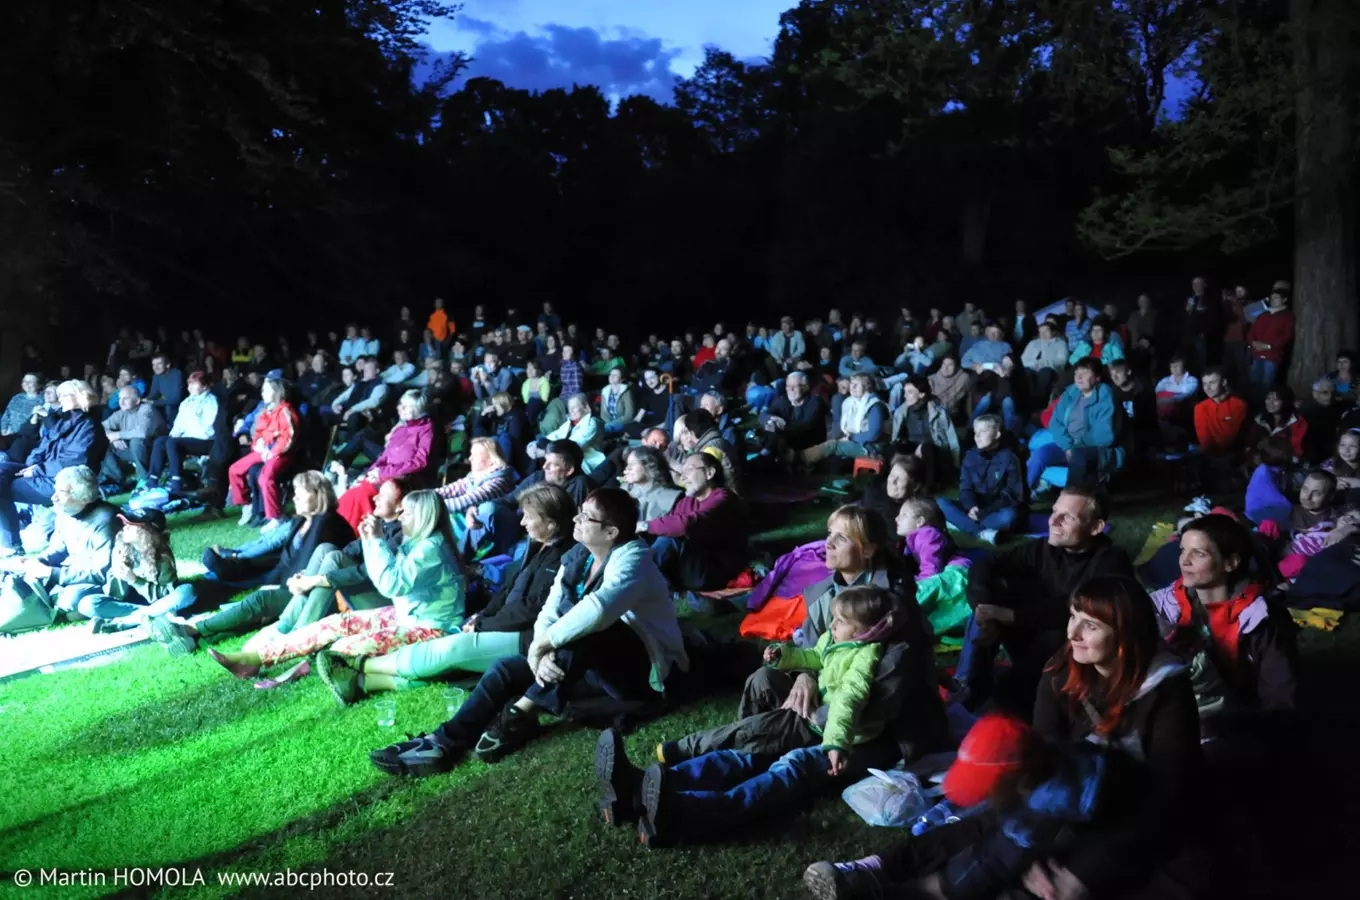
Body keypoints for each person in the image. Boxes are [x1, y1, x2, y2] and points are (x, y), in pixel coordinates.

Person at [369, 488, 687, 773]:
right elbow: (552, 607)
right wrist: (539, 650)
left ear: (611, 532)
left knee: (589, 628)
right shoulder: (578, 555)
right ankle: (444, 740)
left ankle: (519, 714)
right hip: (588, 668)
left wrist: (541, 646)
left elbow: (597, 611)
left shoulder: (634, 557)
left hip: (645, 673)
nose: (576, 518)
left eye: (586, 516)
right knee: (505, 668)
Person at [622, 585, 917, 847]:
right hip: (814, 724)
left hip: (843, 738)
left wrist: (835, 745)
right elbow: (814, 656)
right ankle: (644, 787)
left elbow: (847, 702)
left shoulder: (869, 657)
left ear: (864, 632)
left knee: (791, 765)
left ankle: (687, 813)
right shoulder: (837, 639)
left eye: (840, 621)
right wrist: (786, 657)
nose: (832, 624)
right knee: (751, 753)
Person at [317, 483, 577, 702]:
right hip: (499, 625)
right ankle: (362, 683)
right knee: (445, 659)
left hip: (524, 637)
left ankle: (360, 668)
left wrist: (484, 624)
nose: (522, 522)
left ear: (552, 524)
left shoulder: (562, 558)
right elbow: (508, 591)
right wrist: (480, 617)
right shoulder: (538, 547)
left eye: (529, 517)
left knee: (444, 652)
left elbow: (530, 610)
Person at [205, 489, 465, 684]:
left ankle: (307, 668)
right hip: (406, 618)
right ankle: (254, 659)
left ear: (423, 516)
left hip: (431, 629)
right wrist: (371, 541)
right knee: (334, 624)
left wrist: (375, 541)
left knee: (343, 647)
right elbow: (382, 576)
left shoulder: (432, 548)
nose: (400, 515)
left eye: (406, 511)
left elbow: (390, 584)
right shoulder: (417, 543)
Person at [955, 485, 1135, 711]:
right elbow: (985, 564)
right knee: (988, 604)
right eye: (1053, 511)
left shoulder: (1111, 561)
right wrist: (984, 610)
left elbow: (1075, 608)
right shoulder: (1043, 549)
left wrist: (1011, 615)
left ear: (1095, 527)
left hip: (1072, 650)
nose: (1053, 521)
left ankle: (1010, 698)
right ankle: (970, 686)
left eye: (1067, 517)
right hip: (1031, 633)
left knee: (1058, 634)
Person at [1149, 514, 1297, 733]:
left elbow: (1281, 705)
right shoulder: (1168, 605)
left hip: (1242, 721)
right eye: (1183, 550)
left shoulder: (1262, 619)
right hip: (1181, 710)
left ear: (1230, 563)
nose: (1184, 561)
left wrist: (1219, 725)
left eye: (1198, 553)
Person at [0, 380, 107, 555]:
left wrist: (36, 470)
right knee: (2, 468)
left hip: (63, 481)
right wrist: (32, 465)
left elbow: (74, 461)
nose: (61, 399)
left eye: (66, 395)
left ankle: (11, 545)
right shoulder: (62, 421)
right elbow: (41, 448)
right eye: (60, 395)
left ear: (82, 397)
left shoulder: (90, 426)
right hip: (43, 471)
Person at [0, 466, 119, 619]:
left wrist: (50, 573)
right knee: (8, 569)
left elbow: (101, 573)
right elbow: (58, 549)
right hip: (69, 574)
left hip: (95, 582)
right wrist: (37, 561)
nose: (53, 498)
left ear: (84, 498)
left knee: (72, 598)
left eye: (61, 493)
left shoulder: (106, 521)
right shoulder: (66, 513)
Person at [642, 450, 748, 592]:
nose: (683, 477)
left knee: (670, 540)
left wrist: (644, 525)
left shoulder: (724, 499)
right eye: (683, 472)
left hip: (717, 570)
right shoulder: (687, 502)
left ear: (709, 473)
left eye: (689, 470)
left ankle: (638, 583)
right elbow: (670, 523)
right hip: (691, 566)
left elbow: (686, 524)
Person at [333, 390, 434, 530]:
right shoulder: (401, 429)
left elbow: (420, 462)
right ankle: (340, 528)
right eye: (401, 405)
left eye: (406, 406)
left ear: (418, 409)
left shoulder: (427, 430)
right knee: (355, 488)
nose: (401, 409)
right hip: (385, 474)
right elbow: (384, 456)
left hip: (405, 478)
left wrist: (384, 472)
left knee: (362, 493)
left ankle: (352, 530)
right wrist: (371, 472)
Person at [1026, 358, 1121, 491]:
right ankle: (1019, 498)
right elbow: (1055, 423)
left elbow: (1103, 435)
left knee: (1078, 460)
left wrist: (1075, 447)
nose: (1079, 377)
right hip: (1068, 445)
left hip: (1093, 449)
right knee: (1040, 455)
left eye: (1085, 373)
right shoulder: (1070, 393)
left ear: (1098, 377)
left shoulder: (1105, 397)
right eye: (1076, 373)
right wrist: (1067, 446)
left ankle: (1078, 497)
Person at [938, 414, 1026, 544]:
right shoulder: (970, 456)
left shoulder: (1010, 458)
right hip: (975, 509)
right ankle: (981, 532)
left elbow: (1012, 495)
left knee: (1009, 516)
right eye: (975, 432)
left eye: (983, 431)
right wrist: (970, 506)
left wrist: (984, 512)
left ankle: (962, 523)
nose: (977, 436)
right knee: (941, 503)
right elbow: (965, 487)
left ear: (997, 434)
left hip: (996, 511)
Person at [226, 375, 299, 530]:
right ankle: (247, 504)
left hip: (281, 454)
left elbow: (288, 438)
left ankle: (275, 517)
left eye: (266, 390)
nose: (262, 393)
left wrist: (271, 453)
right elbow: (259, 432)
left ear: (277, 392)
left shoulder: (286, 411)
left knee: (265, 477)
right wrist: (258, 444)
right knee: (234, 470)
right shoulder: (266, 411)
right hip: (265, 451)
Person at [146, 371, 218, 490]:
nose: (190, 387)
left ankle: (176, 481)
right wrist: (173, 435)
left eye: (194, 384)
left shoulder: (211, 401)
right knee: (160, 441)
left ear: (204, 386)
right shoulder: (186, 402)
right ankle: (152, 479)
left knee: (172, 443)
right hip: (186, 439)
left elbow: (209, 428)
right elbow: (178, 424)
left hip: (205, 440)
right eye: (189, 383)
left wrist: (182, 437)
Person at [800, 373, 887, 466]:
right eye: (851, 384)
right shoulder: (851, 402)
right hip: (855, 441)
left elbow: (873, 435)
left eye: (856, 385)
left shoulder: (874, 406)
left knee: (833, 445)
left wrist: (851, 438)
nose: (852, 387)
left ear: (867, 388)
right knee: (831, 444)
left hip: (870, 446)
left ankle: (798, 458)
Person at [889, 376, 960, 478]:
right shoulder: (900, 412)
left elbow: (952, 439)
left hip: (933, 450)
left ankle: (928, 486)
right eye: (904, 392)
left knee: (926, 448)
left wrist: (955, 464)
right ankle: (890, 479)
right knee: (894, 446)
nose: (905, 396)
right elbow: (896, 436)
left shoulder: (939, 413)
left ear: (921, 394)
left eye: (910, 392)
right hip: (911, 446)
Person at [99, 385, 164, 489]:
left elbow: (143, 432)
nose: (121, 402)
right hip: (133, 450)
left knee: (136, 441)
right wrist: (114, 439)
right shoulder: (121, 413)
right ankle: (115, 479)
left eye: (125, 398)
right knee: (102, 442)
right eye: (120, 398)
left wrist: (117, 435)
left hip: (154, 450)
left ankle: (144, 479)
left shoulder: (147, 409)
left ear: (137, 401)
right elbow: (100, 428)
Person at [757, 371, 828, 465]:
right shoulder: (783, 399)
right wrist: (770, 419)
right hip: (786, 438)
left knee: (775, 436)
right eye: (788, 386)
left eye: (795, 386)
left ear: (805, 387)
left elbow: (807, 425)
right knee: (770, 429)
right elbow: (764, 415)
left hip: (808, 442)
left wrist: (781, 427)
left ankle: (767, 457)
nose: (790, 389)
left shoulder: (815, 402)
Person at [1246, 285, 1294, 388]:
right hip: (1257, 353)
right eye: (1272, 298)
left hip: (1272, 355)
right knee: (1253, 382)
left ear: (1284, 299)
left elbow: (1286, 336)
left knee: (1267, 383)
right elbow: (1252, 331)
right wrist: (1253, 342)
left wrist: (1268, 346)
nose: (1273, 300)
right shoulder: (1263, 315)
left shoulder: (1287, 316)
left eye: (1276, 298)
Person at [1245, 385, 1309, 462]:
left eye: (1276, 400)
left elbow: (1296, 452)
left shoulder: (1297, 422)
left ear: (1286, 402)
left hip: (1283, 463)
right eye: (1268, 398)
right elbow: (1250, 442)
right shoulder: (1261, 418)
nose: (1270, 403)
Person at [622, 445, 682, 522]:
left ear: (649, 464)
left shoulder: (671, 497)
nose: (627, 468)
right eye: (627, 464)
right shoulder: (626, 492)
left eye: (632, 464)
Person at [1021, 322, 1069, 404]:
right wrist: (1035, 364)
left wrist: (1044, 363)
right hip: (1032, 367)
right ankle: (1029, 400)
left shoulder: (1060, 343)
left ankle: (1040, 401)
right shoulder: (1033, 343)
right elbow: (1023, 359)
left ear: (1053, 332)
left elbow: (1062, 360)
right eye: (1040, 332)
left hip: (1051, 369)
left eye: (1045, 331)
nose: (1042, 334)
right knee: (1026, 372)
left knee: (1045, 372)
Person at [0, 373, 43, 450]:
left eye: (30, 382)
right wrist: (4, 431)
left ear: (38, 385)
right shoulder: (17, 397)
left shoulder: (43, 400)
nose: (26, 384)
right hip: (9, 434)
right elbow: (6, 415)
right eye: (24, 381)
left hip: (26, 439)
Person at [144, 354, 184, 423]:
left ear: (167, 365)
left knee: (169, 407)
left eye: (159, 364)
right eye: (153, 365)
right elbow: (154, 394)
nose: (155, 367)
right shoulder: (156, 376)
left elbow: (176, 399)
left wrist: (154, 402)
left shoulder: (177, 374)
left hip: (179, 406)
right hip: (165, 403)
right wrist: (144, 400)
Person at [599, 368, 635, 436]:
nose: (611, 376)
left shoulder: (626, 391)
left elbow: (629, 415)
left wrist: (612, 424)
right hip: (609, 423)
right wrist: (609, 424)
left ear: (621, 379)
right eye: (610, 374)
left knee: (601, 431)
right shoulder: (605, 391)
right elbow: (603, 413)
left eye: (615, 375)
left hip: (623, 423)